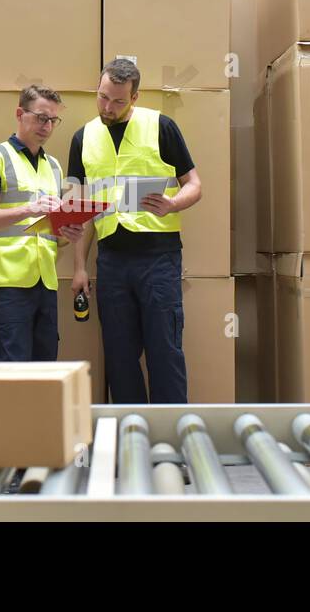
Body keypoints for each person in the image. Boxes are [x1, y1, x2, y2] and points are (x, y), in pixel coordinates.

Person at [61, 59, 203, 402]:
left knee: (164, 351)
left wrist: (173, 204)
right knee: (119, 356)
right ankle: (130, 435)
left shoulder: (161, 126)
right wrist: (80, 267)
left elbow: (195, 185)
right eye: (103, 97)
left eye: (118, 101)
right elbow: (79, 211)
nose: (108, 107)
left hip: (159, 257)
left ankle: (171, 437)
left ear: (135, 97)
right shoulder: (83, 138)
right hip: (111, 261)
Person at [0, 85, 82, 361]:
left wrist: (67, 230)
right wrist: (29, 208)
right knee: (13, 366)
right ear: (20, 114)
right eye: (41, 117)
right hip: (8, 280)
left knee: (46, 366)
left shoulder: (53, 166)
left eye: (53, 120)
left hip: (46, 281)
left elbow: (51, 232)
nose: (47, 126)